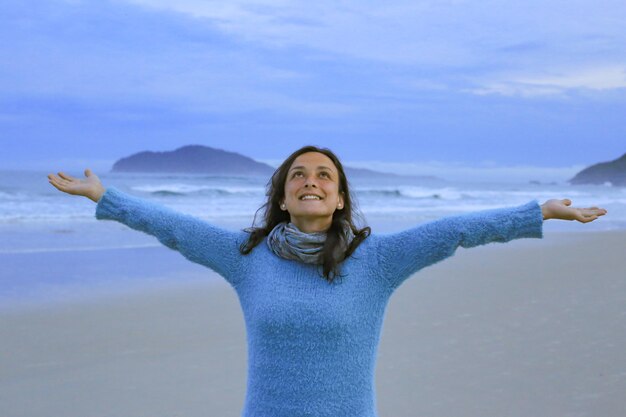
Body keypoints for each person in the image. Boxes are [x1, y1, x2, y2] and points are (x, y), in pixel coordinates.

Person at [48, 145, 607, 417]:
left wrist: (539, 212)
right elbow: (174, 227)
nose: (309, 181)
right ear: (284, 196)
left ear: (339, 197)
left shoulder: (378, 259)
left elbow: (455, 230)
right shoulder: (246, 255)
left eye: (323, 175)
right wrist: (107, 198)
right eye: (297, 175)